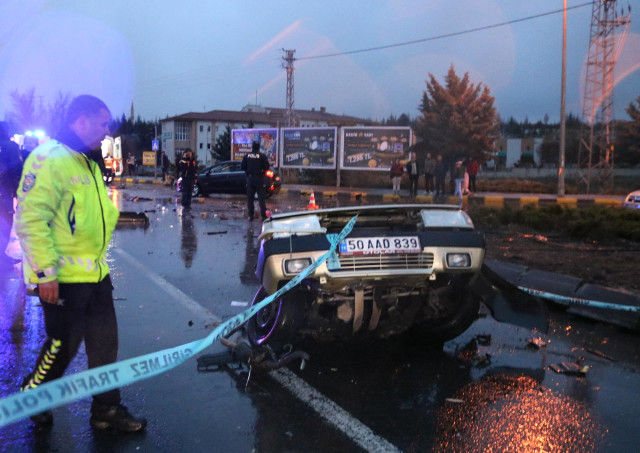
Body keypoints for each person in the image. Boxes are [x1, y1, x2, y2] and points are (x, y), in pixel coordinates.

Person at [14, 95, 146, 432]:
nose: (106, 132)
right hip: (63, 279)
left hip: (96, 275)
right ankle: (34, 394)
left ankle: (106, 411)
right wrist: (45, 274)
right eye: (102, 124)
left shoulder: (87, 162)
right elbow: (31, 219)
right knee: (62, 348)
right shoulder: (49, 160)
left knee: (104, 346)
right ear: (81, 120)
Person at [0, 121, 23, 267]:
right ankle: (3, 257)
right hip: (4, 191)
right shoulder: (10, 147)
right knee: (5, 222)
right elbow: (16, 170)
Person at [241, 141, 270, 221]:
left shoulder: (247, 156)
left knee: (250, 199)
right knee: (261, 199)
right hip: (260, 179)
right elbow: (266, 167)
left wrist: (248, 170)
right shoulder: (262, 156)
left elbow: (242, 167)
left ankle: (251, 216)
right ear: (259, 147)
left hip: (250, 179)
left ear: (252, 147)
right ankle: (263, 216)